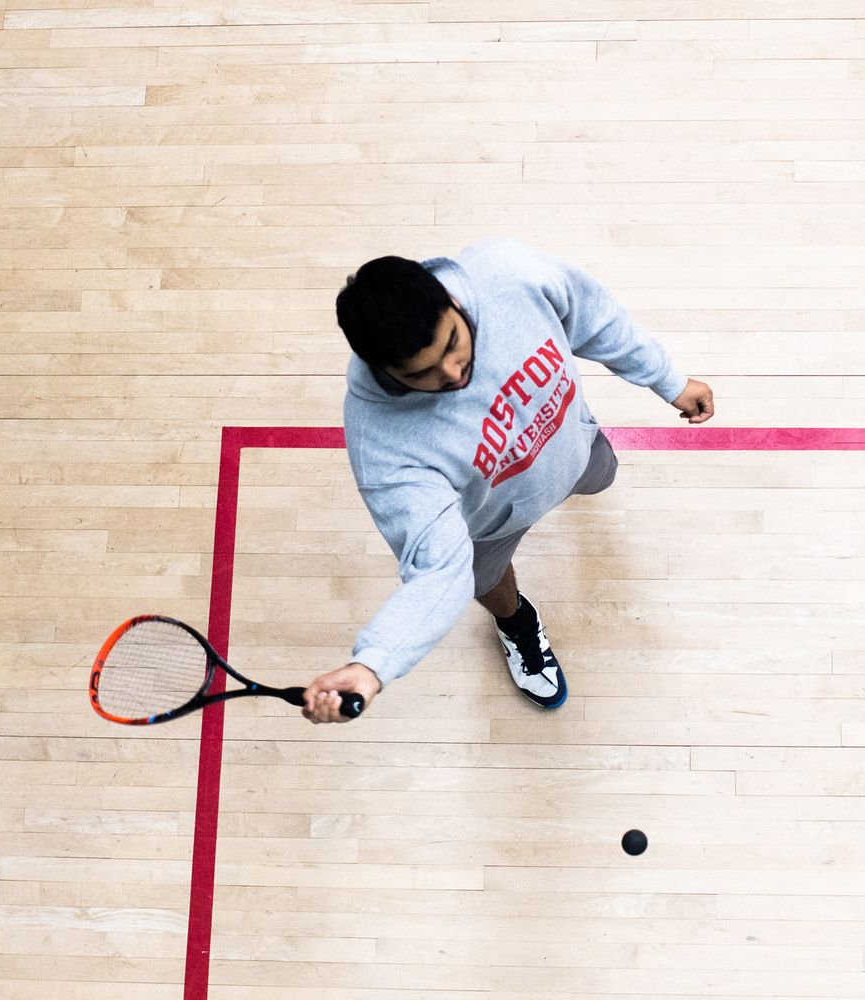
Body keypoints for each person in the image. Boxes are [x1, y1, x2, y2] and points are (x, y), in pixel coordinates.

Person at [301, 237, 715, 723]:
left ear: (451, 299)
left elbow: (596, 319)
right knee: (484, 581)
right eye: (425, 374)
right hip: (491, 525)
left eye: (453, 344)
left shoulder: (509, 273)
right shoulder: (386, 451)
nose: (455, 375)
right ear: (385, 370)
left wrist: (668, 380)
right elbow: (439, 571)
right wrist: (373, 665)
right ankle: (516, 623)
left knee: (603, 478)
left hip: (576, 449)